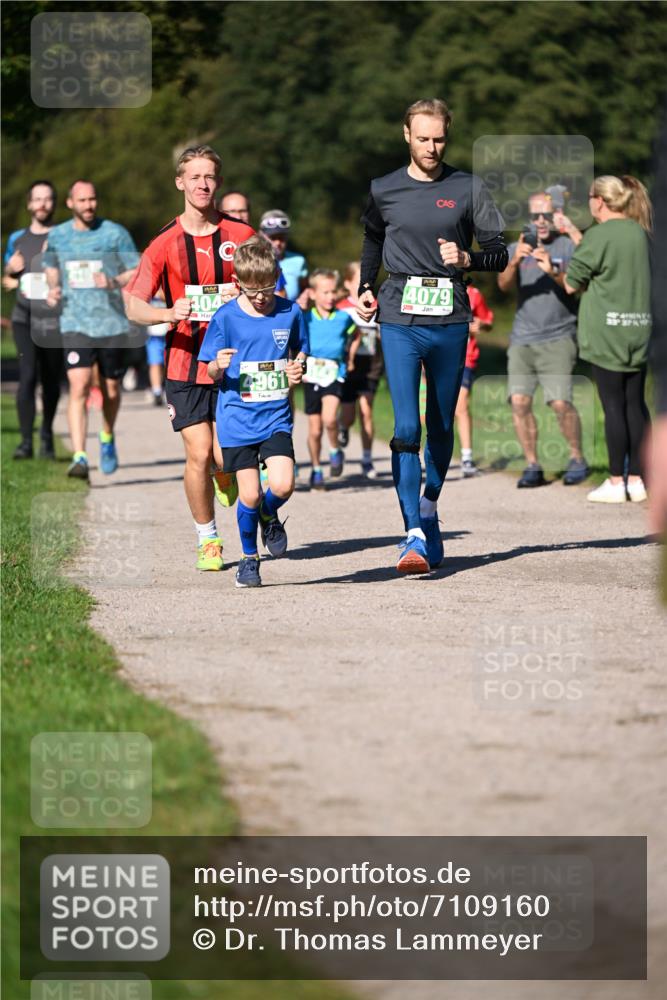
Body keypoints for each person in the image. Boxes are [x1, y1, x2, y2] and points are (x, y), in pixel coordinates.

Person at [356, 97, 508, 573]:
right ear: (407, 135)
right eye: (422, 138)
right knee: (407, 427)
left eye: (439, 138)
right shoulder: (384, 188)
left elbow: (499, 252)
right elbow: (373, 239)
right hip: (399, 317)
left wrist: (468, 259)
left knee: (440, 425)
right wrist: (365, 286)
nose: (431, 147)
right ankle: (413, 535)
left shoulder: (468, 187)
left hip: (449, 318)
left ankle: (429, 505)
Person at [125, 145, 254, 570]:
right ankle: (208, 539)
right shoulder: (164, 242)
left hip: (235, 363)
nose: (202, 184)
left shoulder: (241, 236)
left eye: (209, 176)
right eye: (194, 177)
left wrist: (247, 294)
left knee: (223, 456)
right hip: (185, 362)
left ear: (219, 182)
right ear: (180, 182)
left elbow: (274, 287)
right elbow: (133, 305)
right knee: (198, 453)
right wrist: (167, 313)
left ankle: (226, 472)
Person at [198, 237, 308, 587]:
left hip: (275, 415)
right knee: (248, 493)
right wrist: (217, 365)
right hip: (237, 418)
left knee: (283, 485)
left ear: (277, 277)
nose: (261, 297)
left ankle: (267, 512)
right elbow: (209, 371)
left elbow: (300, 351)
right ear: (237, 283)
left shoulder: (290, 312)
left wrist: (298, 368)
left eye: (268, 288)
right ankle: (249, 560)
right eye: (252, 290)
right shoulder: (225, 317)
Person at [536, 175, 652, 503]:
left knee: (613, 406)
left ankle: (616, 481)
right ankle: (639, 480)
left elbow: (572, 283)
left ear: (599, 201)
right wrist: (575, 233)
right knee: (635, 404)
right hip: (640, 328)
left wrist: (550, 269)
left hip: (606, 332)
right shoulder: (642, 234)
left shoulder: (599, 235)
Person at [44, 180, 138, 480]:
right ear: (70, 203)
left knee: (111, 390)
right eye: (82, 200)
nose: (88, 205)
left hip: (111, 322)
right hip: (74, 322)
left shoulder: (114, 233)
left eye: (92, 199)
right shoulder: (58, 235)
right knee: (79, 385)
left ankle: (107, 435)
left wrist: (113, 281)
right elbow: (50, 267)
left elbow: (136, 269)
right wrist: (53, 288)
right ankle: (80, 456)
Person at [497, 192, 589, 489]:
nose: (540, 221)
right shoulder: (517, 247)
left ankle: (577, 458)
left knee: (560, 402)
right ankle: (532, 465)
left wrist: (553, 270)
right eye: (535, 216)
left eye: (546, 216)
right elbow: (502, 285)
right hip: (522, 338)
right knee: (519, 402)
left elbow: (580, 285)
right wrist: (514, 262)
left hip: (559, 336)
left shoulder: (567, 246)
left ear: (556, 215)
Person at [3, 180, 63, 460]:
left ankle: (47, 436)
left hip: (54, 320)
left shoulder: (63, 236)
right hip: (24, 318)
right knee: (27, 377)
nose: (42, 204)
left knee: (51, 380)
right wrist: (9, 270)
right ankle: (26, 442)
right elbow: (6, 279)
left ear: (54, 204)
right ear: (29, 204)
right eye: (37, 199)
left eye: (47, 199)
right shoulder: (17, 238)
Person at [302, 268, 359, 489]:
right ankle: (316, 469)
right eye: (325, 292)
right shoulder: (305, 318)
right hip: (311, 375)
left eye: (333, 292)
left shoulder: (344, 317)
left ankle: (335, 449)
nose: (330, 297)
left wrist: (350, 357)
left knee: (330, 419)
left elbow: (356, 334)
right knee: (315, 430)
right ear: (313, 293)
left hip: (334, 373)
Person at [337, 261, 384, 478]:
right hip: (349, 367)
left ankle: (367, 460)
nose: (364, 286)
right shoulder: (341, 308)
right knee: (348, 415)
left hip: (371, 367)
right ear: (347, 284)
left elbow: (384, 332)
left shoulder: (377, 306)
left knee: (366, 412)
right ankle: (343, 428)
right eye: (358, 281)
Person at [455, 283, 494, 477]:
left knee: (461, 405)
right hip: (437, 357)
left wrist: (481, 325)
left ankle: (467, 458)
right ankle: (432, 455)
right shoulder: (435, 286)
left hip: (466, 358)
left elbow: (488, 322)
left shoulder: (473, 293)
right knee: (434, 409)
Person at [259, 210, 308, 300]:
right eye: (272, 238)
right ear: (261, 235)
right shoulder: (254, 261)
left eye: (281, 238)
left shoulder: (298, 260)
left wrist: (304, 299)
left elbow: (305, 288)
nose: (278, 242)